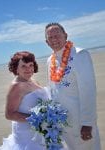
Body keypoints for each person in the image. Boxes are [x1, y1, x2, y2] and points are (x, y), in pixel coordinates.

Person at [0, 51, 69, 150]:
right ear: (16, 69)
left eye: (31, 65)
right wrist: (38, 120)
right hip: (27, 134)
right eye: (23, 66)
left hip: (41, 130)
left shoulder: (33, 81)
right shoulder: (16, 86)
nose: (28, 69)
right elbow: (9, 114)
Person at [45, 22, 101, 150]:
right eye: (50, 37)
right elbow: (52, 91)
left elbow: (88, 91)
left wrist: (87, 123)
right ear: (47, 42)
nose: (54, 40)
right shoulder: (50, 61)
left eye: (57, 35)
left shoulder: (80, 54)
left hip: (80, 123)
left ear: (65, 35)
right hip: (62, 123)